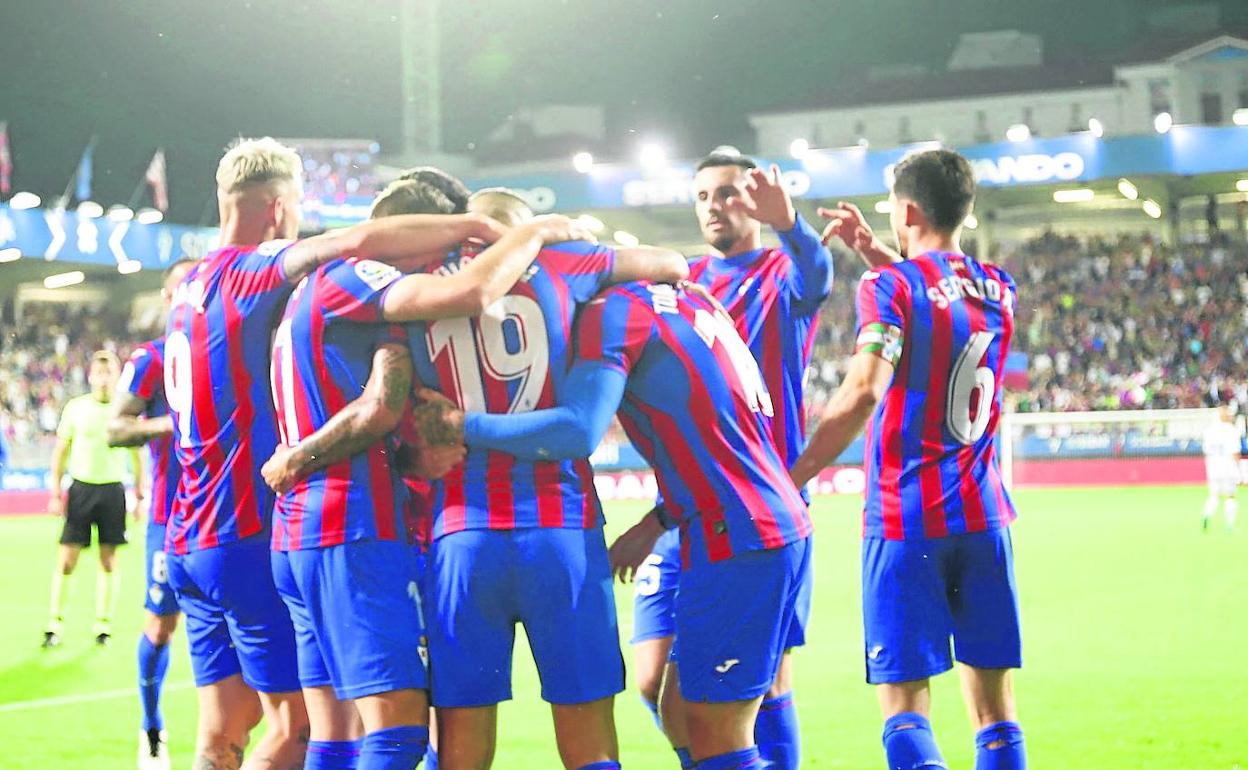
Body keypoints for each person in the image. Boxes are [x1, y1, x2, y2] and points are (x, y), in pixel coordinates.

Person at [162, 137, 508, 770]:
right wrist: (486, 228)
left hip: (193, 530)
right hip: (258, 522)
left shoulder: (191, 286)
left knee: (230, 737)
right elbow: (358, 243)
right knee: (316, 730)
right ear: (277, 208)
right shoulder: (259, 270)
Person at [257, 210, 597, 770]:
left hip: (301, 532)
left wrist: (407, 459)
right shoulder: (362, 278)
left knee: (333, 736)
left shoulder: (306, 291)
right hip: (351, 528)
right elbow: (380, 405)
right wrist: (527, 232)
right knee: (398, 735)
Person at [429, 279, 812, 770]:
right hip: (757, 519)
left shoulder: (613, 311)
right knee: (679, 711)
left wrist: (461, 424)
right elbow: (714, 428)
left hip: (735, 534)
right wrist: (657, 522)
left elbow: (579, 429)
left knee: (718, 733)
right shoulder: (685, 297)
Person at [401, 170, 688, 770]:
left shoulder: (420, 284)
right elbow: (671, 263)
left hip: (461, 534)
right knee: (590, 744)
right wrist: (569, 237)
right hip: (560, 530)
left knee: (461, 748)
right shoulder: (562, 263)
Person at [789, 148, 1026, 770]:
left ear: (909, 211)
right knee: (996, 714)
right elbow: (940, 303)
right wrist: (876, 249)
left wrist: (796, 475)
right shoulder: (999, 288)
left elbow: (865, 390)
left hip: (906, 518)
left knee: (904, 711)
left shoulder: (887, 287)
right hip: (984, 517)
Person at [625, 150, 835, 769]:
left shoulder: (781, 273)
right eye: (703, 196)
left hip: (759, 507)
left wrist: (789, 223)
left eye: (727, 193)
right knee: (652, 682)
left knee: (764, 683)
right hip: (684, 506)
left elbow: (817, 276)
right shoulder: (682, 284)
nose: (714, 206)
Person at [108, 258, 199, 770]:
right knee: (162, 626)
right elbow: (116, 429)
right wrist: (177, 422)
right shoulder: (153, 358)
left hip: (232, 515)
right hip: (172, 515)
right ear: (168, 300)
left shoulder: (228, 351)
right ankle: (151, 728)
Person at [44, 350, 144, 649]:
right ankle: (54, 623)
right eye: (99, 373)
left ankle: (103, 625)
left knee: (108, 560)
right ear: (90, 376)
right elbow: (61, 451)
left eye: (108, 373)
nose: (103, 379)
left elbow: (137, 457)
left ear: (117, 377)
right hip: (81, 489)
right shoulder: (76, 408)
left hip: (112, 490)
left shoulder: (124, 412)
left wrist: (140, 494)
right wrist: (55, 492)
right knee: (67, 559)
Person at [1201, 401, 1242, 532]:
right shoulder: (1232, 430)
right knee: (1230, 496)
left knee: (1214, 495)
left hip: (1213, 468)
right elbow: (1235, 452)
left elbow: (1206, 451)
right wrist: (1239, 470)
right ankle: (1230, 526)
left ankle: (1206, 515)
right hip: (1228, 468)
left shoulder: (1209, 431)